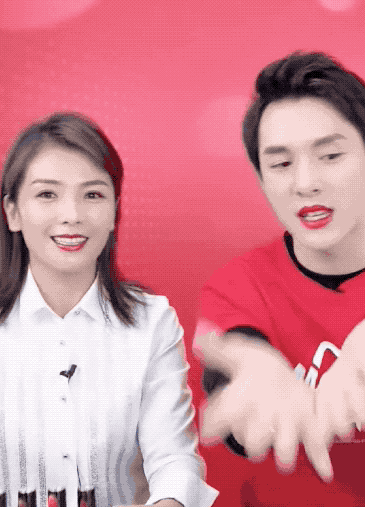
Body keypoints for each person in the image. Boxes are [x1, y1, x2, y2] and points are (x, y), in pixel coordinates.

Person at [193, 51, 365, 506]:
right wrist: (260, 383)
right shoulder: (236, 286)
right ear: (261, 179)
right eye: (280, 164)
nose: (305, 183)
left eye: (330, 155)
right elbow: (242, 371)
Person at [0, 113, 219, 507]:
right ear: (13, 212)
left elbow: (173, 461)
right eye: (47, 194)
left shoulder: (151, 322)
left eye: (93, 195)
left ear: (115, 210)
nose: (72, 215)